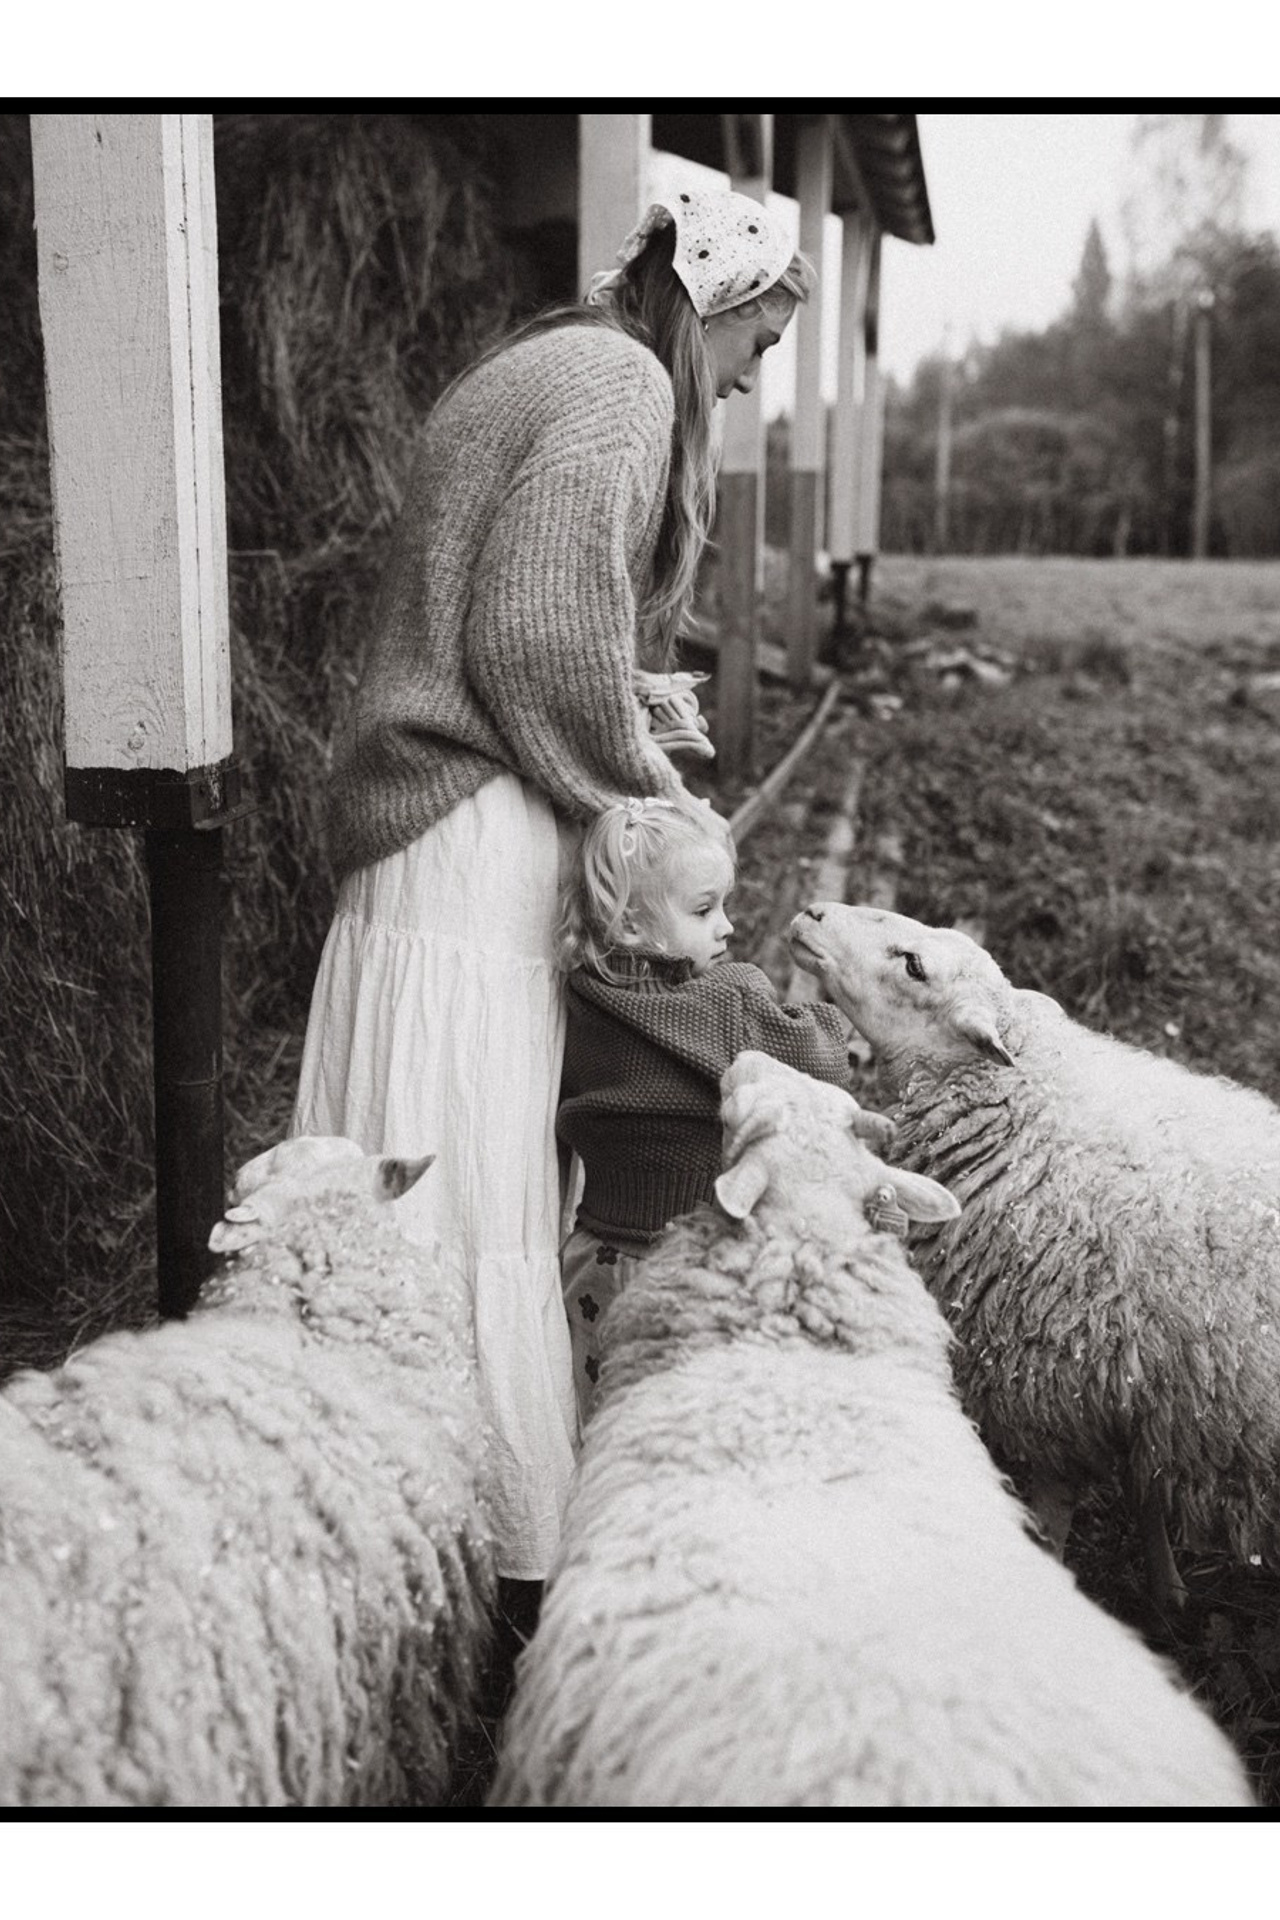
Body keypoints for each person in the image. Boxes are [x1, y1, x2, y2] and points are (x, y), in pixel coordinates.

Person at [290, 188, 816, 1587]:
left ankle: (350, 1502)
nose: (752, 378)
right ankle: (489, 1550)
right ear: (710, 300)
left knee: (398, 1168)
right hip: (472, 837)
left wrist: (630, 694)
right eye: (755, 344)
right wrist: (649, 787)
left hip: (416, 818)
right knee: (474, 1174)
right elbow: (530, 638)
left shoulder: (548, 358)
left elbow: (499, 607)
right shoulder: (625, 384)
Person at [555, 792, 856, 1420]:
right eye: (704, 909)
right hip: (697, 1261)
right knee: (691, 1421)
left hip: (595, 1263)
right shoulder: (729, 999)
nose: (727, 926)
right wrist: (827, 1017)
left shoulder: (578, 1000)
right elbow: (824, 1062)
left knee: (601, 1419)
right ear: (632, 925)